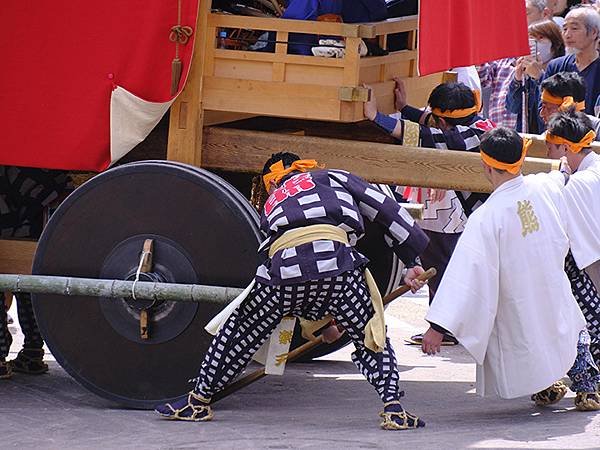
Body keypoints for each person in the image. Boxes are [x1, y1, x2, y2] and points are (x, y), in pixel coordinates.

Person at [156, 152, 431, 430]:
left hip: (283, 273)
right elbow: (388, 209)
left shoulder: (274, 201)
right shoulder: (334, 176)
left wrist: (304, 319)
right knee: (372, 335)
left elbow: (290, 269)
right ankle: (393, 408)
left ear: (272, 183)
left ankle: (199, 400)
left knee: (238, 333)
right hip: (339, 268)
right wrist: (411, 262)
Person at [421, 127, 600, 411]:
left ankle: (547, 384)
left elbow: (464, 276)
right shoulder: (545, 186)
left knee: (526, 338)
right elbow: (562, 175)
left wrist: (438, 327)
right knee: (567, 329)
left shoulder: (486, 217)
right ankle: (586, 389)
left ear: (487, 166)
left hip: (518, 297)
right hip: (552, 283)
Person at [364, 80, 494, 344]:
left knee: (444, 265)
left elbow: (417, 133)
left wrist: (374, 116)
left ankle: (443, 327)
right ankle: (449, 324)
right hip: (475, 214)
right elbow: (431, 123)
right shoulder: (479, 125)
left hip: (473, 218)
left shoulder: (459, 137)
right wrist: (404, 107)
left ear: (443, 121)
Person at [0, 166, 71, 379]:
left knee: (10, 277)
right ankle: (32, 351)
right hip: (45, 202)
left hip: (20, 202)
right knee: (26, 284)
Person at [545, 110, 600, 366]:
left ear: (566, 147)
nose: (547, 154)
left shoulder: (576, 184)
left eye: (551, 147)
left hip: (589, 265)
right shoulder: (590, 171)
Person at [506, 19, 566, 133]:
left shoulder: (562, 70)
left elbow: (554, 108)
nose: (535, 43)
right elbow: (512, 107)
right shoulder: (526, 74)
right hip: (528, 138)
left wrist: (539, 76)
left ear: (555, 44)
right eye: (531, 38)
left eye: (541, 38)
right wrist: (517, 79)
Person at [540, 6, 600, 116]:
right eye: (564, 29)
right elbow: (544, 107)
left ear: (594, 33)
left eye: (574, 28)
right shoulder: (556, 66)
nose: (567, 35)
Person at [539, 71, 600, 136]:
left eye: (548, 108)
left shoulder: (597, 129)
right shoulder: (546, 138)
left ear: (567, 106)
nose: (541, 114)